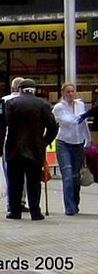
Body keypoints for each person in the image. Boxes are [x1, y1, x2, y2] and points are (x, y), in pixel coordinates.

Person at [3, 78, 57, 221]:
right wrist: (44, 142)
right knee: (34, 182)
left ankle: (15, 211)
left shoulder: (11, 103)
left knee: (14, 182)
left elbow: (4, 124)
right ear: (34, 90)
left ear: (19, 90)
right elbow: (53, 127)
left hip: (14, 149)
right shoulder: (43, 104)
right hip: (35, 149)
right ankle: (35, 211)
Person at [53, 83, 88, 215]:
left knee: (75, 176)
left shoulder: (80, 105)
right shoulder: (58, 108)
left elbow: (83, 124)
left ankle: (75, 203)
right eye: (68, 92)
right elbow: (52, 123)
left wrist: (88, 140)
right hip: (63, 143)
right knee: (67, 176)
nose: (70, 94)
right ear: (63, 93)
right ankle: (69, 207)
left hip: (78, 143)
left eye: (72, 91)